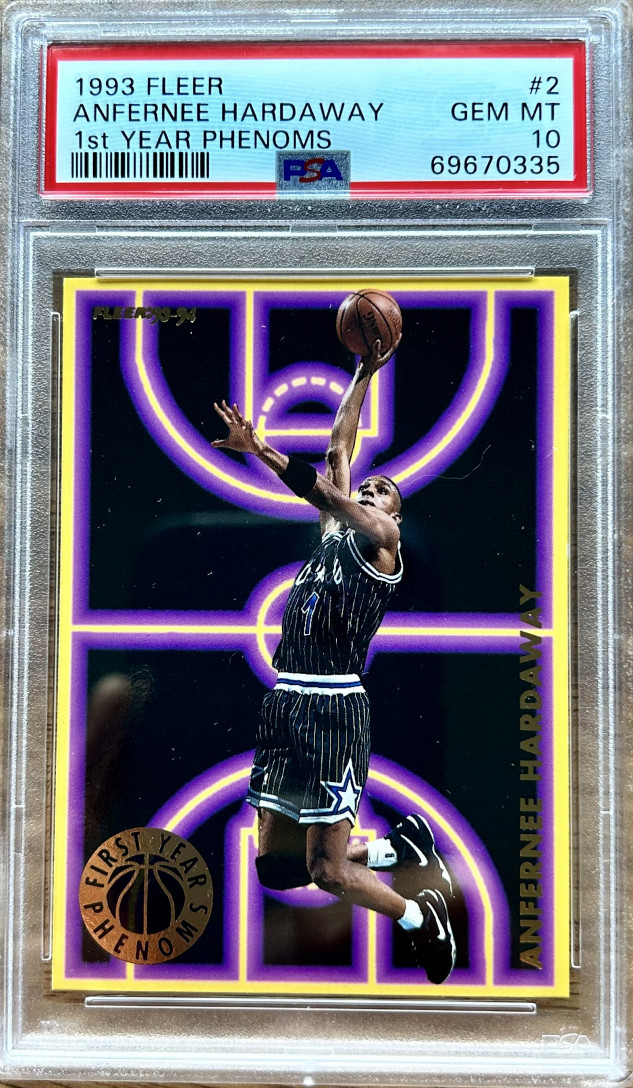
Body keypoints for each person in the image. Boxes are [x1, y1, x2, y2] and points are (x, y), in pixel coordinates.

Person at [212, 336, 456, 984]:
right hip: (285, 701)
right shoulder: (332, 531)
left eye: (382, 491)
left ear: (393, 514)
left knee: (325, 871)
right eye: (367, 487)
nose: (370, 489)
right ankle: (393, 849)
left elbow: (327, 487)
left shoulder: (381, 538)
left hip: (332, 710)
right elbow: (338, 449)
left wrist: (260, 449)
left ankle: (418, 918)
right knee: (275, 869)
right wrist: (364, 369)